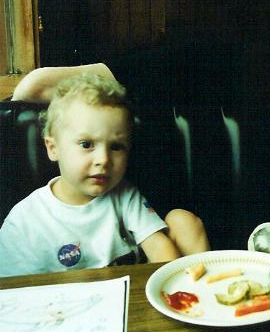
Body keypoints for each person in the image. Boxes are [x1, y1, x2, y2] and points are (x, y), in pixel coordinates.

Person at [0, 73, 210, 276]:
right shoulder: (25, 221)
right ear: (53, 148)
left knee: (183, 221)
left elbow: (160, 249)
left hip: (132, 295)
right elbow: (13, 289)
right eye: (87, 144)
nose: (104, 159)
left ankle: (203, 294)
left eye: (116, 147)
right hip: (65, 300)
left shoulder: (125, 195)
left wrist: (169, 289)